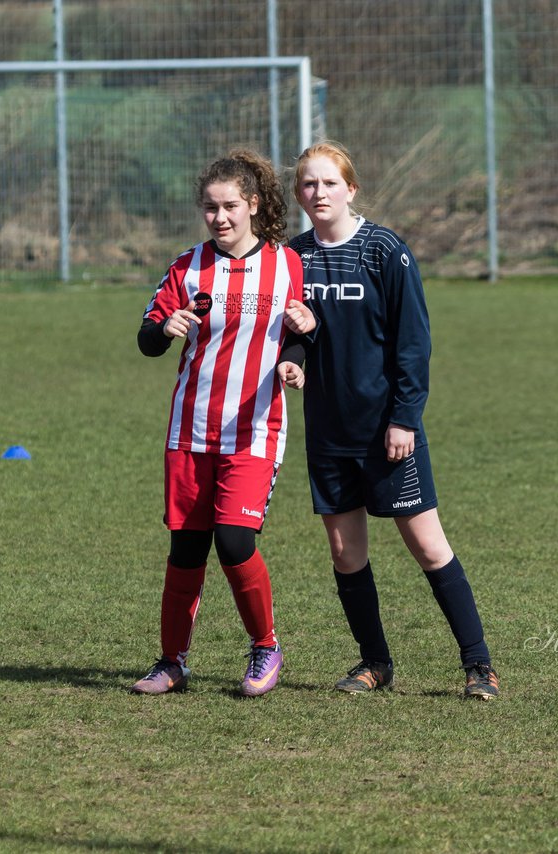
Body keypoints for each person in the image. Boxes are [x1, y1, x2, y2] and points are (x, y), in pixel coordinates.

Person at [281, 141, 499, 700]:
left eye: (330, 183)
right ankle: (374, 663)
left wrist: (404, 418)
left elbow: (413, 342)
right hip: (330, 433)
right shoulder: (293, 257)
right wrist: (295, 356)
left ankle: (479, 666)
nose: (319, 193)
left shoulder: (385, 251)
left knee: (428, 546)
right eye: (309, 184)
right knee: (345, 553)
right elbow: (296, 332)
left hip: (386, 431)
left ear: (351, 189)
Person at [134, 148, 314, 697]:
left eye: (231, 206)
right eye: (211, 208)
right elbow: (146, 338)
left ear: (254, 205)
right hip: (190, 430)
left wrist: (296, 357)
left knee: (235, 541)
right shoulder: (186, 267)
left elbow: (298, 330)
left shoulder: (286, 263)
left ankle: (265, 646)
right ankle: (171, 662)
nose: (221, 218)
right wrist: (165, 330)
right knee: (186, 549)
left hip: (255, 429)